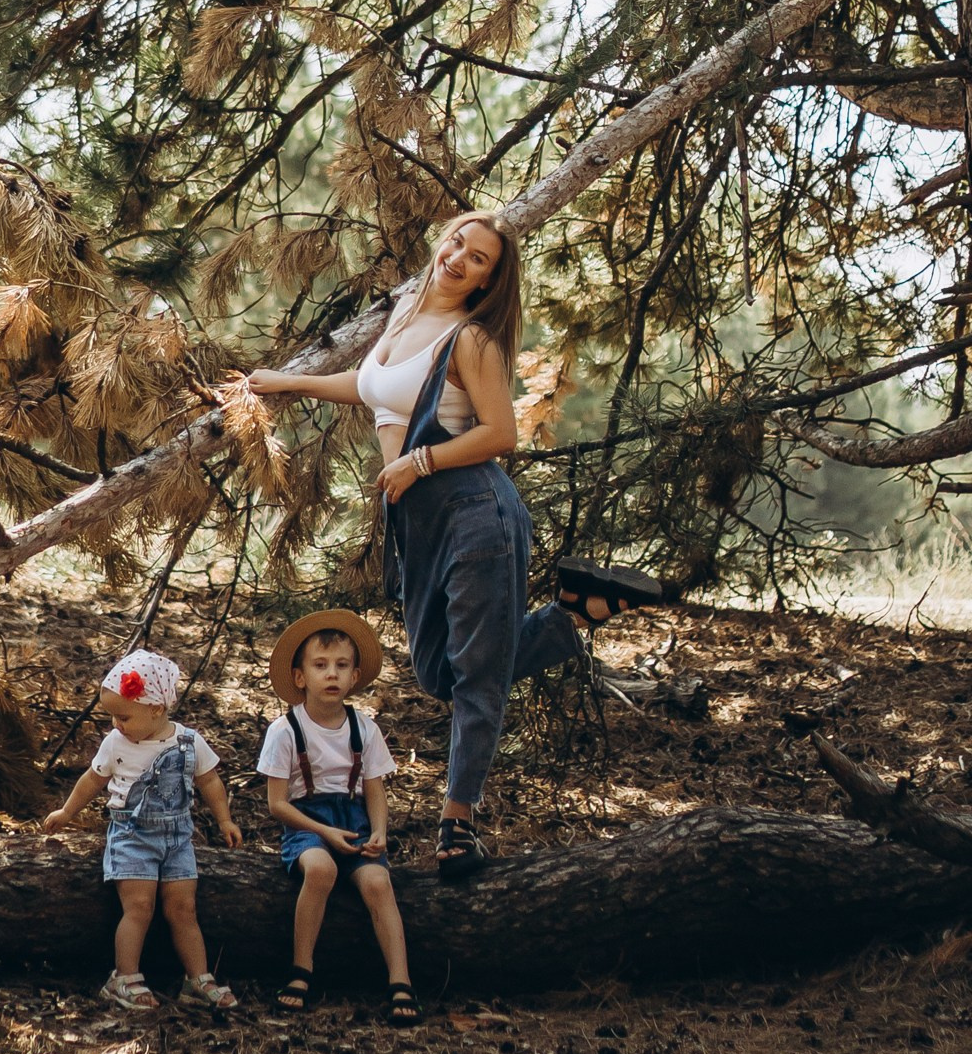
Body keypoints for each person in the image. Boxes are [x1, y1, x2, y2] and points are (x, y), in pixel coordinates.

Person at [249, 208, 664, 875]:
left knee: (475, 675)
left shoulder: (471, 339)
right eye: (457, 243)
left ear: (486, 282)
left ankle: (457, 823)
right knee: (439, 671)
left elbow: (503, 432)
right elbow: (369, 387)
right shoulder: (409, 309)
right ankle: (574, 613)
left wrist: (423, 462)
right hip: (421, 525)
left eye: (478, 259)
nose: (459, 258)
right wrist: (288, 383)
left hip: (476, 511)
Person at [40, 645, 242, 1011]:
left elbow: (210, 781)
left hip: (178, 838)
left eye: (124, 717)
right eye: (113, 717)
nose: (117, 724)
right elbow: (93, 780)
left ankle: (197, 978)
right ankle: (124, 976)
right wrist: (67, 812)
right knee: (139, 905)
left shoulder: (188, 740)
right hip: (131, 836)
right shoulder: (116, 742)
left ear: (157, 709)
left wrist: (224, 819)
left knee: (183, 908)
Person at [258, 609, 418, 1022]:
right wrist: (323, 832)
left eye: (341, 666)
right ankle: (301, 970)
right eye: (320, 665)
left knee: (379, 881)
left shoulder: (363, 728)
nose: (332, 674)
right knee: (321, 870)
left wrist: (379, 831)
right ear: (299, 677)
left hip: (354, 820)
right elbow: (277, 804)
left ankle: (400, 981)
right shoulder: (285, 731)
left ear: (354, 676)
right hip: (306, 821)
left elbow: (374, 789)